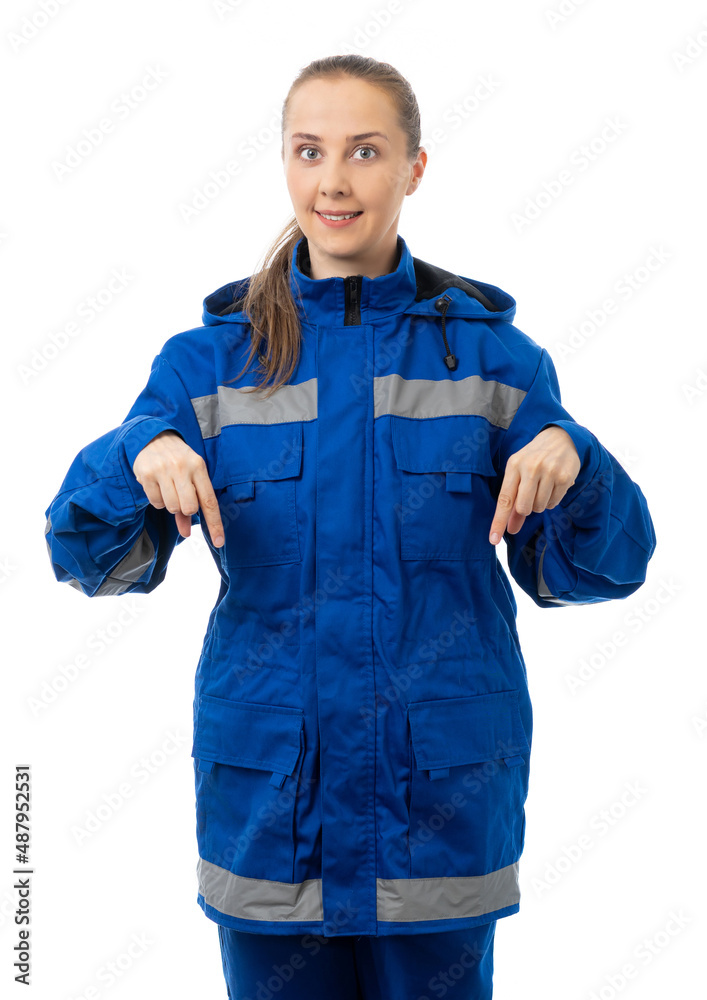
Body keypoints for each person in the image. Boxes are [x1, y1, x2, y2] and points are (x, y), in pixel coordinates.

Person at [44, 54, 656, 999]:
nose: (332, 180)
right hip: (272, 814)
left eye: (364, 151)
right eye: (309, 150)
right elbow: (88, 558)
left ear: (414, 168)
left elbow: (595, 572)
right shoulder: (209, 365)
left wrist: (577, 463)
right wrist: (133, 454)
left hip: (438, 814)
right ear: (284, 163)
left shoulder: (494, 361)